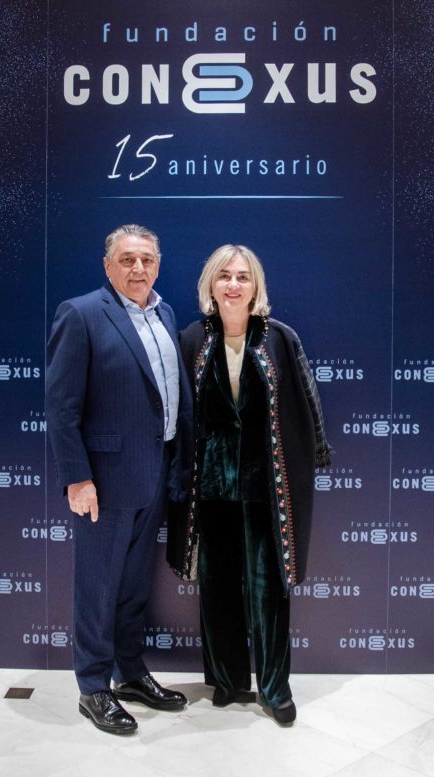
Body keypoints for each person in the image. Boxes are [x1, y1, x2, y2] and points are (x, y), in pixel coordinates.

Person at [168, 244, 331, 726]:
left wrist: (318, 450)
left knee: (268, 589)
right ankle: (227, 681)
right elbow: (178, 411)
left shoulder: (279, 338)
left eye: (242, 276)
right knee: (216, 586)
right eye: (225, 276)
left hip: (267, 486)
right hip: (211, 485)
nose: (233, 285)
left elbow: (307, 400)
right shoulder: (191, 338)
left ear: (255, 285)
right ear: (211, 285)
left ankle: (276, 689)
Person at [45, 224, 192, 735]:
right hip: (104, 482)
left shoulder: (166, 313)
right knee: (97, 586)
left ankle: (130, 672)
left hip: (156, 473)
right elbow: (61, 408)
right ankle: (92, 687)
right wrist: (77, 478)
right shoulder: (81, 314)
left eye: (147, 259)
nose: (138, 268)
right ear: (108, 266)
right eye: (127, 259)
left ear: (158, 264)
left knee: (133, 585)